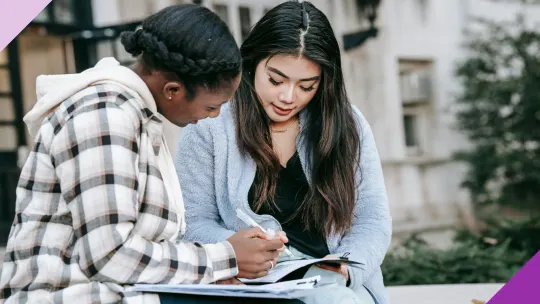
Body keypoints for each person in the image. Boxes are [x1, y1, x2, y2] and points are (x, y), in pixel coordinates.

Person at [0, 4, 292, 304]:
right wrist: (225, 258)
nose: (215, 116)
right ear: (173, 90)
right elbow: (110, 256)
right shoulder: (104, 116)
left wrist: (213, 273)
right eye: (211, 106)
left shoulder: (135, 116)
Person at [175, 1, 392, 304]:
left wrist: (343, 267)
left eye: (307, 86)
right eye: (276, 80)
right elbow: (192, 223)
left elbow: (372, 220)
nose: (288, 97)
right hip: (252, 284)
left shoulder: (348, 124)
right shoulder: (209, 124)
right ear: (252, 63)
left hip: (337, 284)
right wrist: (239, 247)